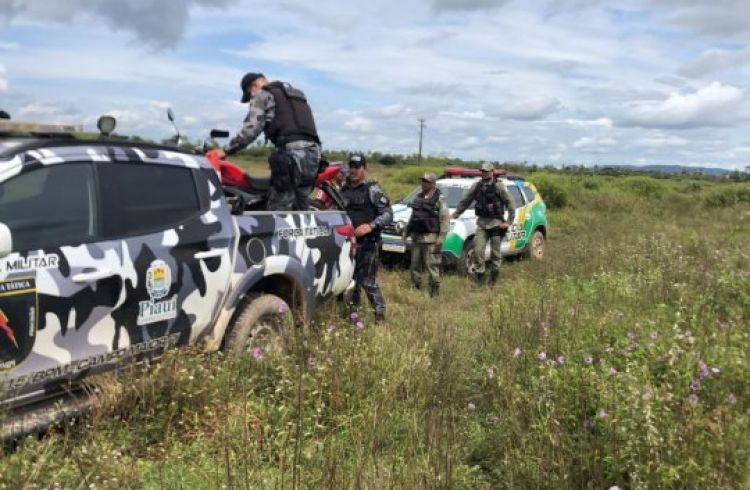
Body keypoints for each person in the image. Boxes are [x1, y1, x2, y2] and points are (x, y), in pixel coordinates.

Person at [215, 72, 321, 210]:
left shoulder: (262, 94)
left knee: (278, 210)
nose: (251, 96)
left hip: (292, 154)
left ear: (254, 86)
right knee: (300, 206)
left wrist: (225, 150)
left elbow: (251, 129)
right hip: (314, 153)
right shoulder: (295, 95)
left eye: (249, 93)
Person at [340, 155, 393, 322]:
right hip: (348, 244)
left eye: (358, 166)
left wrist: (370, 226)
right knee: (350, 280)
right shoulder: (343, 190)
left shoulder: (372, 189)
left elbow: (388, 214)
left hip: (368, 244)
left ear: (365, 168)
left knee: (368, 281)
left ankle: (379, 315)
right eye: (351, 166)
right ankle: (353, 315)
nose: (354, 170)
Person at [452, 163, 516, 285]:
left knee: (495, 253)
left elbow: (510, 204)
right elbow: (465, 201)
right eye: (483, 171)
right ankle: (480, 276)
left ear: (492, 171)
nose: (484, 173)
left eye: (487, 171)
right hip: (482, 223)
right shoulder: (477, 186)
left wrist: (508, 222)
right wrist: (455, 215)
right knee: (477, 250)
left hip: (496, 223)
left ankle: (493, 277)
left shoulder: (499, 186)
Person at [403, 173, 450, 298]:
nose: (423, 183)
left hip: (431, 238)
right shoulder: (418, 197)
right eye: (422, 181)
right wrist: (406, 232)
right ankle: (415, 286)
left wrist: (441, 239)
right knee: (414, 265)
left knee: (432, 266)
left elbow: (445, 219)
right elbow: (413, 217)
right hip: (416, 237)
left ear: (433, 183)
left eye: (427, 181)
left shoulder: (439, 198)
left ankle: (434, 291)